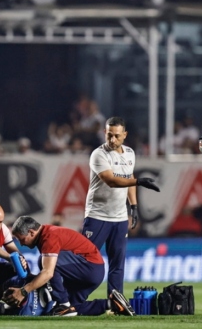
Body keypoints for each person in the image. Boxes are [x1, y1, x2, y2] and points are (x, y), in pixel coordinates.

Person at [83, 116, 160, 296]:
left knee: (118, 264)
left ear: (124, 135)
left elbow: (129, 177)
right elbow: (111, 181)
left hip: (119, 217)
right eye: (109, 135)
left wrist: (133, 207)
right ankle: (73, 299)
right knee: (84, 260)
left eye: (116, 136)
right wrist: (139, 181)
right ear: (104, 133)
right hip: (97, 216)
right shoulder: (98, 154)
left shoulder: (130, 153)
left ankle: (115, 302)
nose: (112, 140)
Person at [4, 216, 135, 316]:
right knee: (74, 308)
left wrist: (23, 291)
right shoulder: (47, 234)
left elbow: (48, 273)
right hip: (92, 270)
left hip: (89, 268)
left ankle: (63, 303)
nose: (21, 244)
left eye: (21, 239)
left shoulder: (49, 237)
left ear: (31, 232)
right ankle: (112, 304)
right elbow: (48, 274)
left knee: (44, 264)